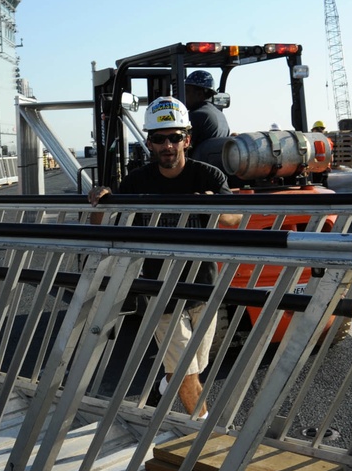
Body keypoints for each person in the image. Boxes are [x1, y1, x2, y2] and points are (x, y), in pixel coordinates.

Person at [89, 97, 241, 418]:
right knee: (183, 367)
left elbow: (234, 219)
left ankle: (167, 385)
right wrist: (100, 203)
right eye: (159, 139)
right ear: (149, 143)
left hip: (203, 286)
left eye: (174, 137)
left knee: (196, 364)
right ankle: (202, 431)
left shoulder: (209, 177)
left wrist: (213, 207)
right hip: (161, 290)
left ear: (187, 139)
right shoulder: (136, 183)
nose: (167, 145)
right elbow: (103, 225)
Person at [183, 70, 230, 161]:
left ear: (200, 94)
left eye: (187, 91)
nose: (184, 96)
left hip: (195, 172)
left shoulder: (196, 116)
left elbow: (181, 150)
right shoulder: (221, 116)